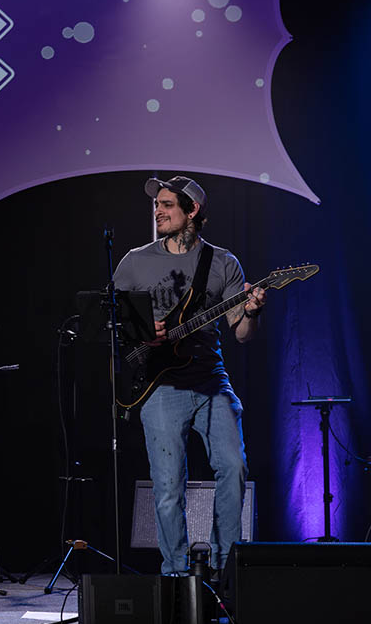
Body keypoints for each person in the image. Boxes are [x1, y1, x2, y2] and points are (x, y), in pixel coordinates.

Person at [113, 175, 265, 576]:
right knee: (168, 487)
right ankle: (177, 574)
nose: (158, 212)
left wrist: (251, 312)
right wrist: (143, 333)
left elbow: (242, 334)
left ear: (192, 210)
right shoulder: (135, 261)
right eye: (156, 205)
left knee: (234, 468)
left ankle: (227, 569)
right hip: (160, 385)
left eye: (167, 205)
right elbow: (112, 325)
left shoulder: (223, 263)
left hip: (211, 381)